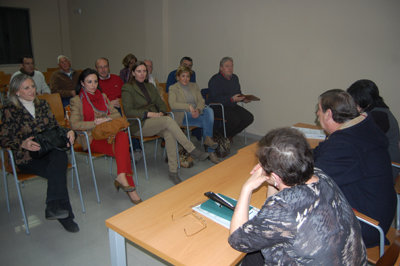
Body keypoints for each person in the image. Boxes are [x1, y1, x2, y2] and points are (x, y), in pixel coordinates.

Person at [228, 127, 367, 265]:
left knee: (250, 253)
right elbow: (275, 200)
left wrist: (247, 188)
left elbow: (237, 240)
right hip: (350, 259)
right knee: (255, 254)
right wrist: (272, 179)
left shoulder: (284, 207)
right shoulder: (320, 175)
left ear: (276, 176)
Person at [313, 89, 396, 248]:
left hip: (366, 225)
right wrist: (297, 154)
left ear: (329, 114)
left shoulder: (345, 146)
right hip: (379, 211)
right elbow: (322, 152)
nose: (317, 113)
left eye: (319, 109)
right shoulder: (358, 129)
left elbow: (314, 181)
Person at [0, 74, 79, 232]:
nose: (32, 91)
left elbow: (55, 128)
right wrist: (22, 143)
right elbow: (3, 137)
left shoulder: (42, 104)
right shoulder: (9, 110)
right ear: (16, 91)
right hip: (27, 157)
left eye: (33, 86)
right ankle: (66, 216)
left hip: (48, 149)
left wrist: (69, 131)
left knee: (59, 158)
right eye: (26, 88)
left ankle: (53, 206)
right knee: (57, 170)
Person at [122, 61, 209, 184]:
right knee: (168, 121)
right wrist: (150, 114)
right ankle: (192, 150)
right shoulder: (127, 88)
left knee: (169, 133)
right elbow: (128, 110)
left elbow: (161, 104)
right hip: (139, 124)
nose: (142, 74)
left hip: (157, 121)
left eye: (144, 71)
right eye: (139, 71)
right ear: (133, 73)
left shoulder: (150, 87)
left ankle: (173, 172)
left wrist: (161, 112)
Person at [69, 68, 141, 204]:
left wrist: (106, 118)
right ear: (82, 83)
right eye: (89, 82)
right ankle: (131, 190)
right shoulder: (77, 101)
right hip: (91, 138)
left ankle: (122, 177)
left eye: (95, 81)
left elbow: (116, 115)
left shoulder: (103, 96)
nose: (93, 85)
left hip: (108, 134)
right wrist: (94, 123)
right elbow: (74, 124)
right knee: (123, 148)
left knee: (122, 138)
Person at [347, 79, 400, 179]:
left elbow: (359, 141)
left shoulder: (379, 116)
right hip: (377, 163)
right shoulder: (377, 112)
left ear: (362, 99)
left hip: (385, 169)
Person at [169, 66, 220, 164]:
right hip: (183, 116)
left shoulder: (194, 86)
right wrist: (189, 107)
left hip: (195, 115)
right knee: (207, 120)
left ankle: (209, 144)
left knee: (209, 111)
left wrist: (198, 109)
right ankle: (210, 148)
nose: (185, 79)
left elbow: (201, 100)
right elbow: (173, 104)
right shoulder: (173, 88)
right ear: (178, 77)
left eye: (188, 76)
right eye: (183, 76)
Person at [207, 57, 254, 140]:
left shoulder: (234, 78)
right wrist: (231, 99)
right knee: (235, 119)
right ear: (221, 68)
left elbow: (238, 93)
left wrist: (243, 98)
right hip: (218, 107)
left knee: (249, 118)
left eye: (232, 66)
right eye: (227, 66)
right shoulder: (215, 80)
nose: (230, 68)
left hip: (231, 105)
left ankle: (228, 135)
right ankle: (217, 135)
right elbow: (215, 98)